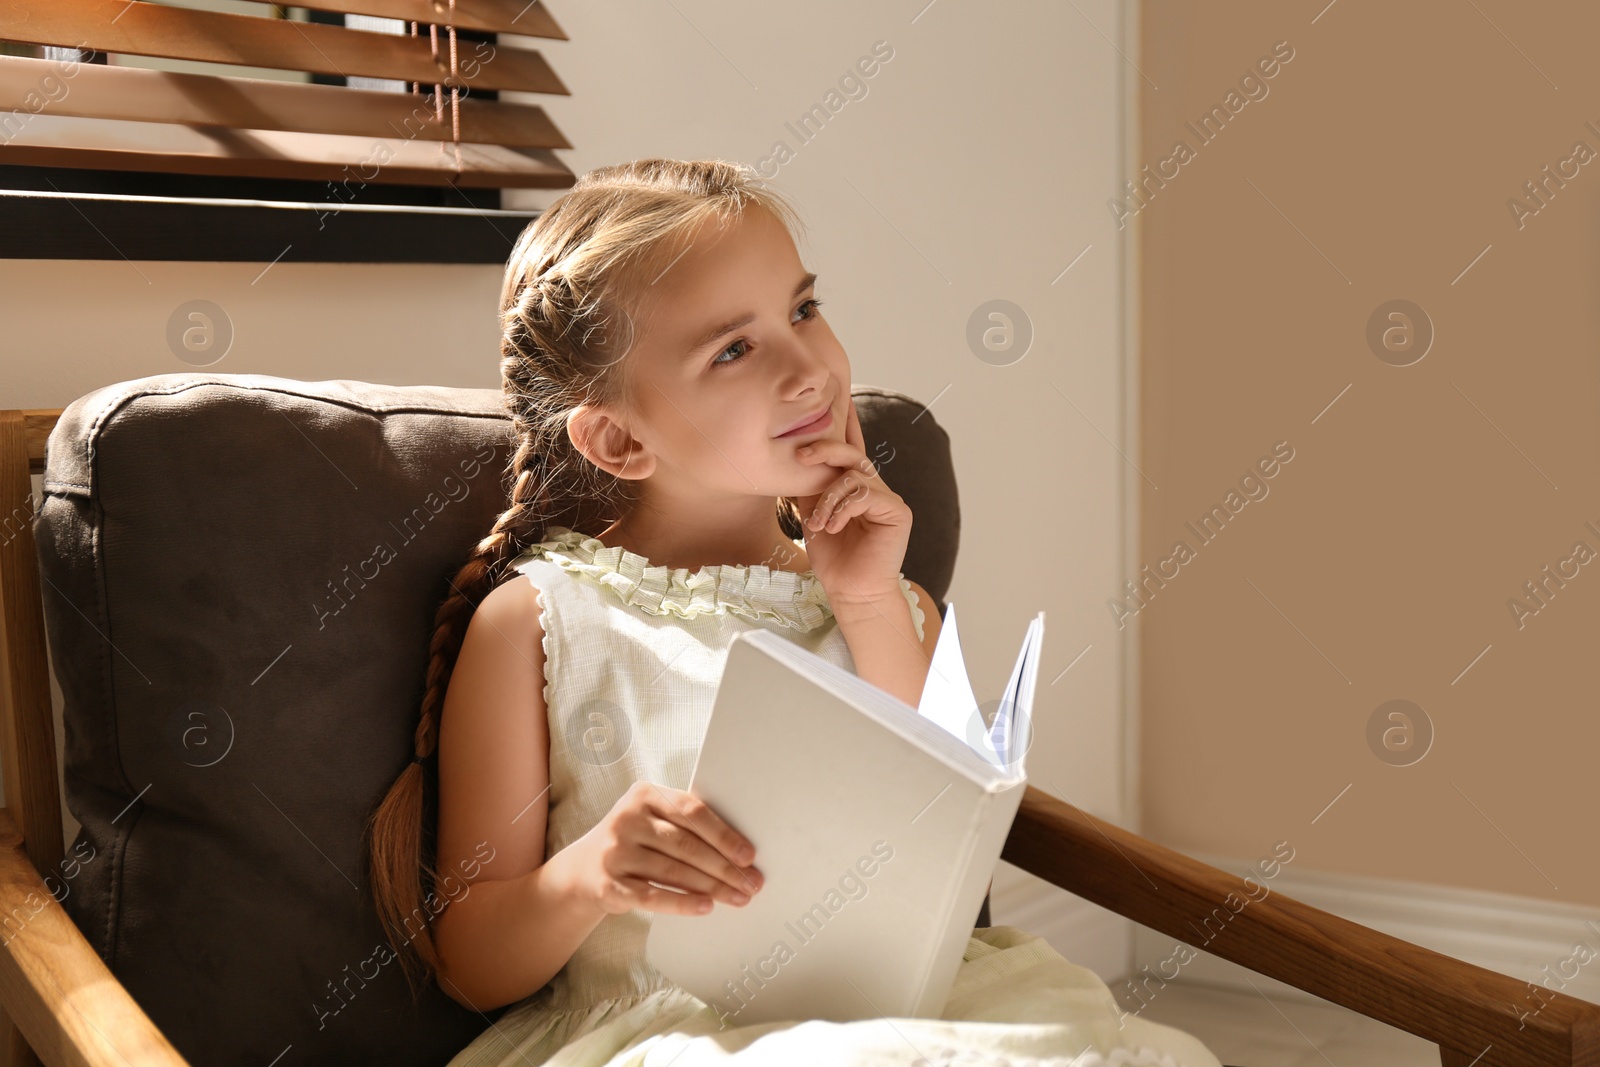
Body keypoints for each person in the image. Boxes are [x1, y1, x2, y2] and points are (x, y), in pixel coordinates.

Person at [364, 158, 1225, 1067]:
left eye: (804, 310)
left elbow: (948, 833)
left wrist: (864, 599)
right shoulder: (540, 620)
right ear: (619, 437)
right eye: (733, 349)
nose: (810, 366)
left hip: (912, 1008)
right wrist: (592, 872)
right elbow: (471, 962)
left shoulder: (886, 599)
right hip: (676, 1034)